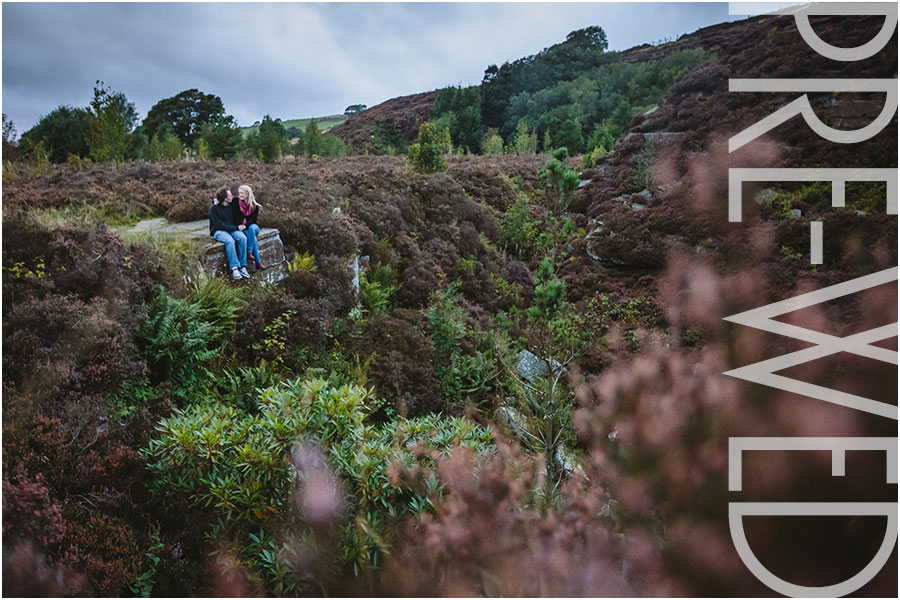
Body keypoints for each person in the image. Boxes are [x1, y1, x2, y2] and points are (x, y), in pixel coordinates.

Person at [209, 187, 250, 280]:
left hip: (231, 229)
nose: (232, 196)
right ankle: (234, 268)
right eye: (230, 195)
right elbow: (219, 225)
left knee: (243, 238)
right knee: (230, 241)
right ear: (224, 198)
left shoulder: (231, 205)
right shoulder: (214, 209)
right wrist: (236, 228)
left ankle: (243, 266)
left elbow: (243, 202)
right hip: (218, 231)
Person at [233, 185, 263, 270]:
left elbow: (253, 220)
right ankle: (258, 262)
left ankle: (249, 252)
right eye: (239, 193)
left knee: (252, 229)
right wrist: (215, 201)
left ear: (247, 193)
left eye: (242, 193)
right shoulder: (236, 202)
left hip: (252, 226)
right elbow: (224, 202)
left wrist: (245, 225)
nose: (240, 195)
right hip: (243, 228)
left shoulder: (254, 206)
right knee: (253, 239)